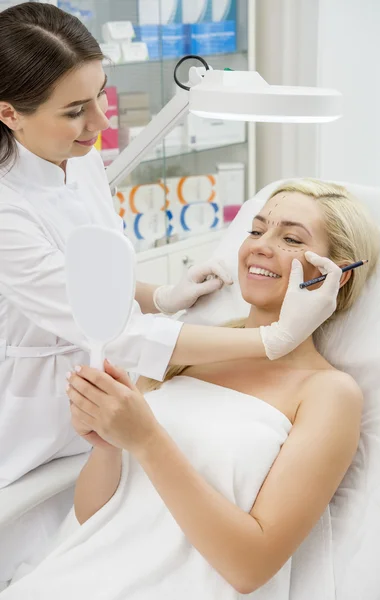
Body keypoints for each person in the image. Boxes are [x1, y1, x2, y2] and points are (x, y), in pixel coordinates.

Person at [0, 3, 346, 587]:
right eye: (75, 112)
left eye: (102, 96)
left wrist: (159, 296)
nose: (100, 125)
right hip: (34, 424)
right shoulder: (8, 212)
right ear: (9, 113)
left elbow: (91, 282)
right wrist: (272, 339)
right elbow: (114, 332)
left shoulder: (329, 395)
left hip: (105, 433)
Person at [1, 179, 380, 598]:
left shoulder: (328, 393)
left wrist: (146, 439)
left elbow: (249, 566)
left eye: (290, 238)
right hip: (78, 574)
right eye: (255, 230)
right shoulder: (184, 352)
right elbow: (91, 517)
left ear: (336, 276)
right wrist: (107, 443)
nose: (259, 245)